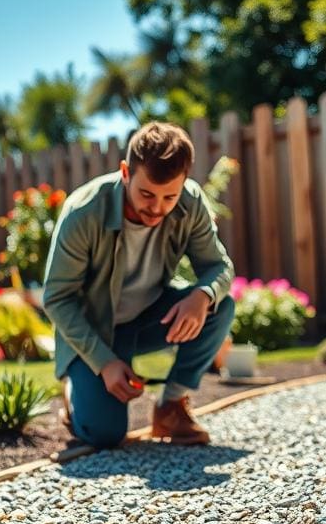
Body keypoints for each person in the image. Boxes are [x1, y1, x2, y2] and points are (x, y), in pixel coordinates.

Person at [42, 121, 235, 448]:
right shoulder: (83, 212)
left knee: (219, 306)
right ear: (125, 172)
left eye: (169, 197)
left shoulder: (191, 202)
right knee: (104, 434)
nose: (157, 208)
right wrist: (104, 362)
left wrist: (202, 295)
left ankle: (171, 407)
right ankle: (75, 390)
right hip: (93, 330)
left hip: (149, 318)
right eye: (147, 194)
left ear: (184, 181)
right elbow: (57, 299)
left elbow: (219, 267)